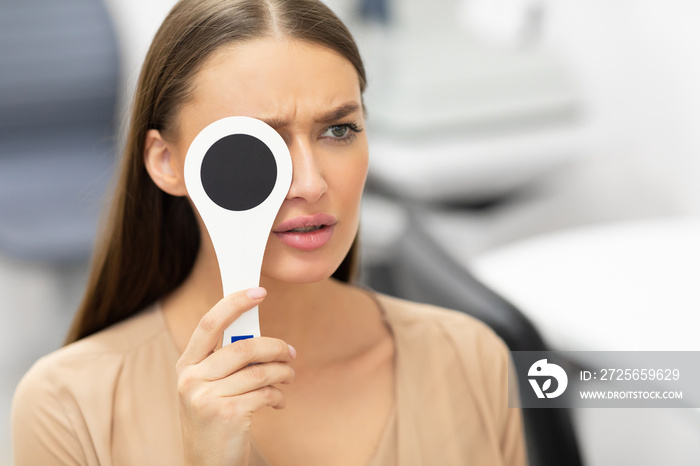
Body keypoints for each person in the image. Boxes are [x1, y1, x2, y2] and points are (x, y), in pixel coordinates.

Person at [11, 0, 527, 464]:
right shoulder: (67, 406)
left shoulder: (474, 357)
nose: (309, 182)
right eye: (257, 143)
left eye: (338, 130)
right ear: (167, 161)